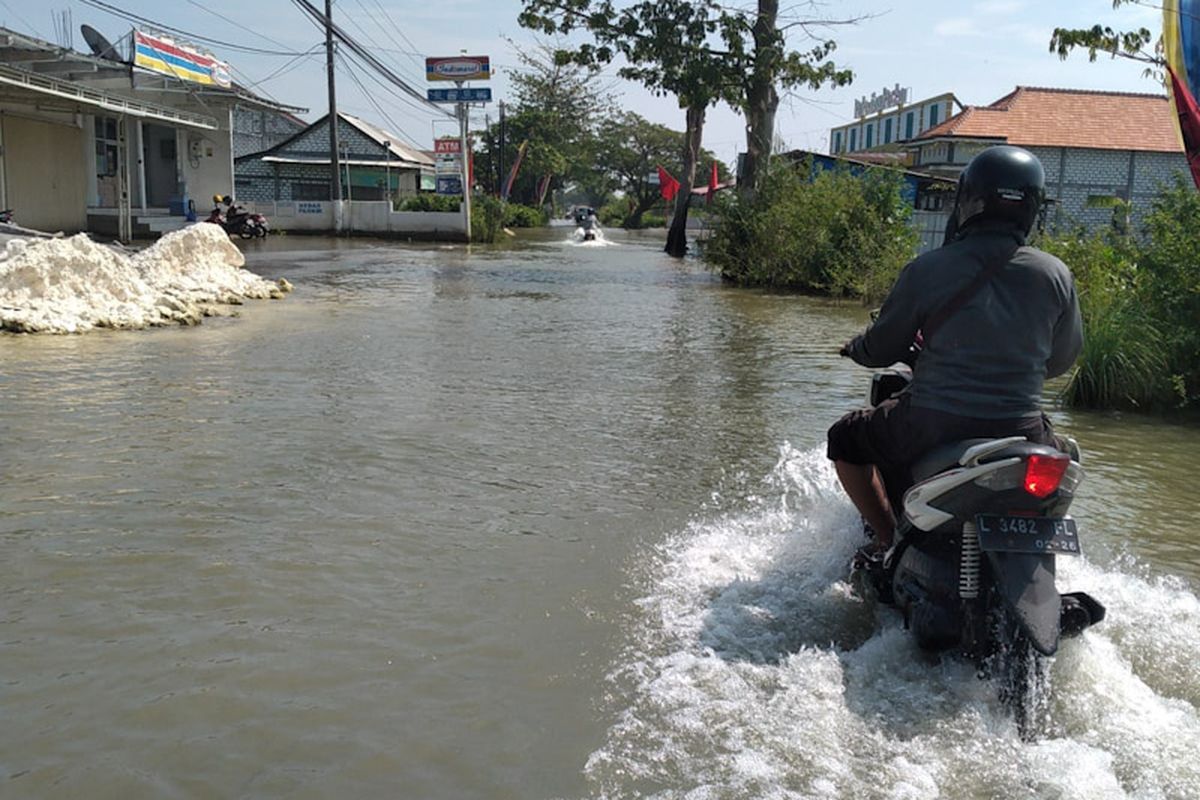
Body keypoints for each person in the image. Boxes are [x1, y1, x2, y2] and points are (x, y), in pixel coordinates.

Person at [826, 145, 1083, 556]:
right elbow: (1062, 359)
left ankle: (887, 539)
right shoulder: (1056, 273)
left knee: (844, 438)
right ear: (1033, 207)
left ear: (970, 200)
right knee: (1062, 456)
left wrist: (856, 348)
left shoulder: (928, 268)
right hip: (1022, 426)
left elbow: (882, 348)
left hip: (932, 422)